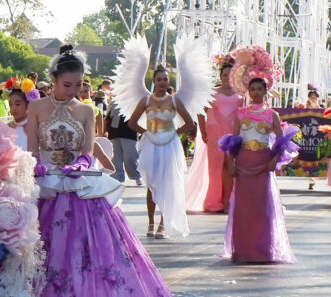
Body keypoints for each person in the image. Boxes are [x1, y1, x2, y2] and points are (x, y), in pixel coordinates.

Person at [21, 45, 186, 297]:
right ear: (53, 79)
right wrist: (36, 165)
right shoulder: (37, 107)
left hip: (80, 187)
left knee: (89, 260)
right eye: (66, 84)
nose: (73, 90)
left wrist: (82, 163)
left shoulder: (86, 110)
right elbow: (31, 148)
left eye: (78, 85)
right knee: (42, 261)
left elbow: (87, 149)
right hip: (47, 187)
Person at [221, 75, 298, 262]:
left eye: (259, 89)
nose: (256, 93)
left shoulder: (272, 115)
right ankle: (242, 250)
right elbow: (233, 141)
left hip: (263, 164)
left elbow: (281, 141)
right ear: (248, 92)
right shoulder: (240, 113)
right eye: (253, 89)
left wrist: (274, 160)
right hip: (243, 164)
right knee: (243, 208)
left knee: (262, 208)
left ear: (265, 91)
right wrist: (231, 162)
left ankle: (262, 250)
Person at [126, 66, 197, 239]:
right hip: (151, 145)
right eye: (159, 79)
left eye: (165, 79)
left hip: (169, 146)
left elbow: (189, 123)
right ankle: (151, 222)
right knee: (151, 184)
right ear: (154, 81)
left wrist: (174, 133)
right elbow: (131, 123)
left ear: (168, 81)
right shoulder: (145, 100)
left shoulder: (174, 100)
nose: (162, 82)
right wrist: (146, 133)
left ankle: (163, 224)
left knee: (169, 183)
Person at [183, 57, 240, 213]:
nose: (227, 78)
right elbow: (201, 112)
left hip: (233, 132)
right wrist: (202, 130)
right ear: (220, 77)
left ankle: (229, 199)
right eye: (224, 75)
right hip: (215, 132)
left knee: (231, 165)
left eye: (230, 75)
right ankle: (215, 200)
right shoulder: (212, 93)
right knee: (215, 167)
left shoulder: (241, 94)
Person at [104, 98, 141, 187]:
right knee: (116, 157)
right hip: (114, 132)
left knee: (130, 156)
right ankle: (117, 177)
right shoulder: (114, 102)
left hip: (129, 132)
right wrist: (104, 131)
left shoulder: (134, 102)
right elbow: (107, 118)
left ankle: (136, 176)